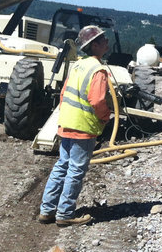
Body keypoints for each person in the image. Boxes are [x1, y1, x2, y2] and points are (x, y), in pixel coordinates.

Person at [38, 25, 112, 227]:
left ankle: (47, 210)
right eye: (103, 39)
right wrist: (105, 116)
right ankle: (65, 214)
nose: (107, 42)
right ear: (94, 45)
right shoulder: (98, 70)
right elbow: (97, 100)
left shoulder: (79, 65)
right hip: (83, 127)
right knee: (76, 170)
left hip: (67, 122)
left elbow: (63, 94)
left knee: (62, 165)